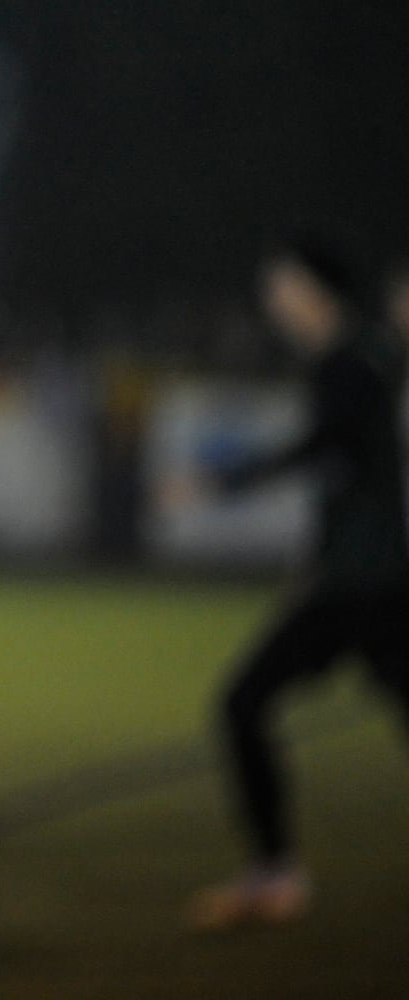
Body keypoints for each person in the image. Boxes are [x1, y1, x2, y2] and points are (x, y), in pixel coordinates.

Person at [186, 235, 409, 931]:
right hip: (356, 584)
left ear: (315, 291)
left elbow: (331, 450)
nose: (272, 300)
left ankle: (276, 873)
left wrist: (228, 480)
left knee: (242, 703)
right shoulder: (363, 360)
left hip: (373, 588)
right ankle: (274, 873)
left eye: (280, 285)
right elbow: (347, 474)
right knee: (245, 704)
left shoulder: (358, 364)